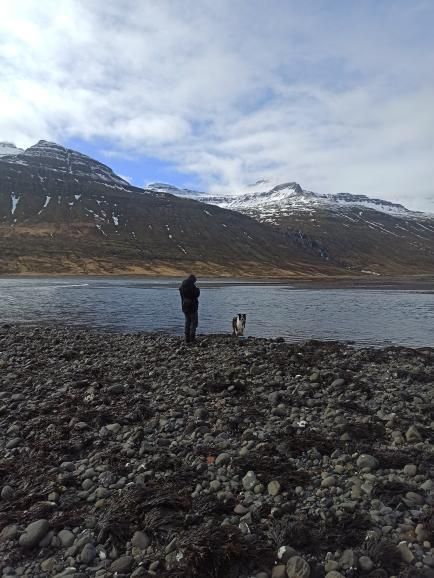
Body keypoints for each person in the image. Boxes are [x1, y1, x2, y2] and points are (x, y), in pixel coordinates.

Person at [179, 274, 200, 343]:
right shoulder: (192, 286)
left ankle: (187, 338)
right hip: (192, 307)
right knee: (194, 323)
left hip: (184, 306)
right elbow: (196, 294)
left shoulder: (182, 286)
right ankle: (192, 338)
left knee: (187, 322)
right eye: (195, 281)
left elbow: (183, 296)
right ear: (193, 280)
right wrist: (198, 289)